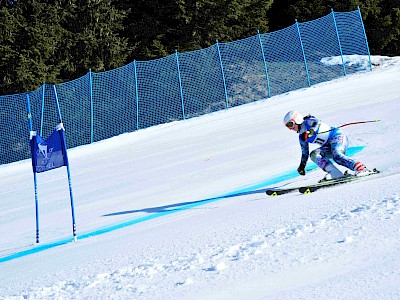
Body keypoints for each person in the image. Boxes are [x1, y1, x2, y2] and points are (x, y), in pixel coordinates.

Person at [283, 110, 370, 180]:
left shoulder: (308, 121)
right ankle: (334, 173)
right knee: (314, 154)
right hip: (328, 145)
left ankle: (361, 168)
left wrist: (310, 132)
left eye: (290, 124)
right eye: (288, 127)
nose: (291, 128)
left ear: (297, 119)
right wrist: (302, 166)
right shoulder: (302, 137)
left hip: (338, 137)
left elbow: (316, 123)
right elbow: (305, 152)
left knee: (337, 155)